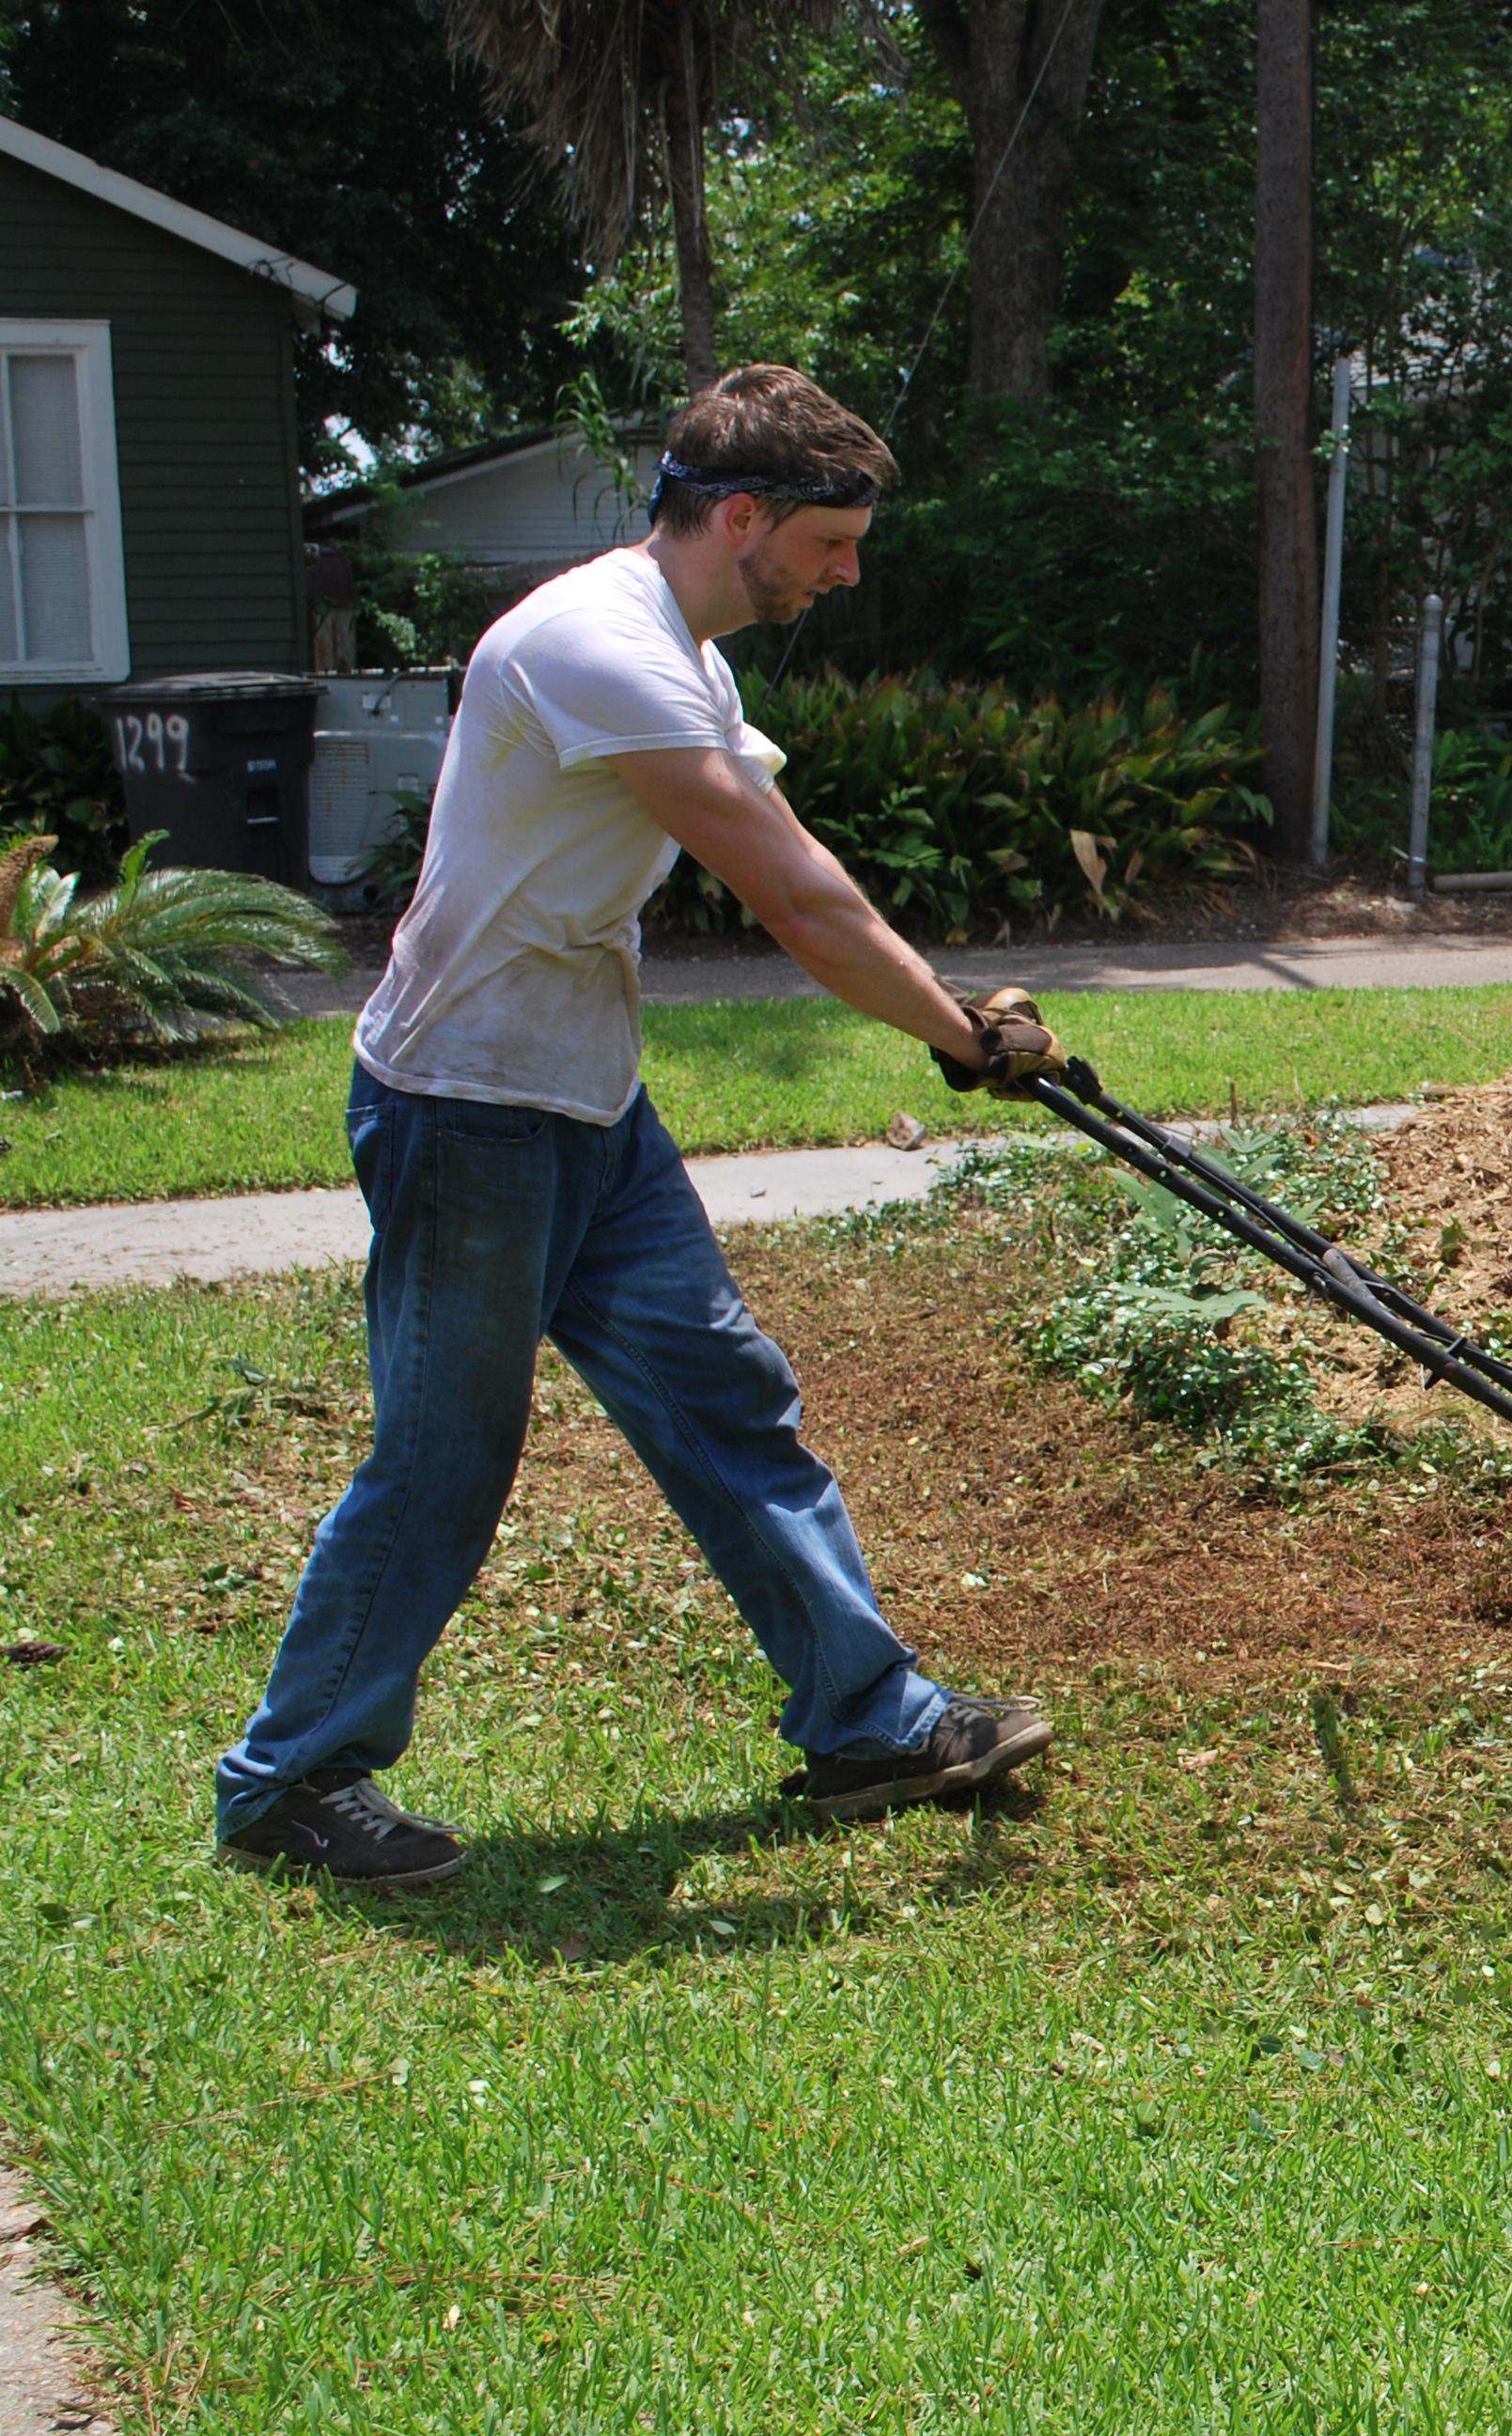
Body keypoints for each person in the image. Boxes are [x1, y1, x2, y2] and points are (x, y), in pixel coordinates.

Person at [213, 366, 1060, 1888]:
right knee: (445, 1455)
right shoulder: (596, 646)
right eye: (830, 543)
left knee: (725, 1395)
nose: (845, 574)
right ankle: (290, 1780)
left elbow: (796, 850)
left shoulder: (682, 654)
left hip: (585, 1098)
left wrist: (956, 1013)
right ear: (739, 516)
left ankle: (867, 1719)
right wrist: (958, 1037)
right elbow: (791, 897)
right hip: (468, 1103)